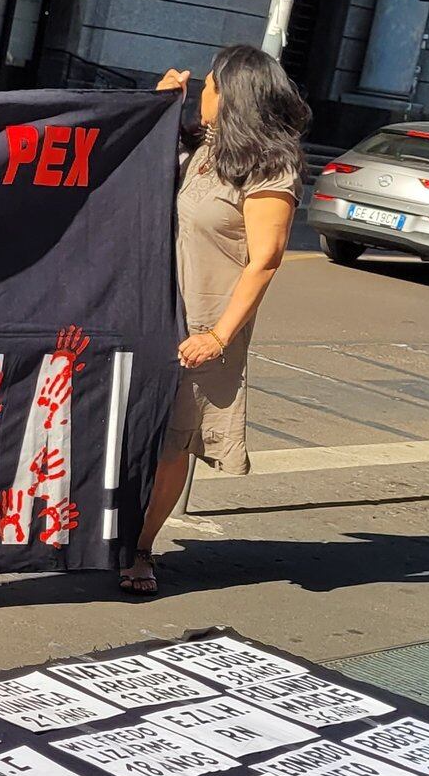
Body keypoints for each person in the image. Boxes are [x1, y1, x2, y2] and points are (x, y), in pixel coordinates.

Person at [121, 44, 307, 597]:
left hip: (202, 320)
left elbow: (266, 258)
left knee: (171, 441)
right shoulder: (201, 148)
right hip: (148, 309)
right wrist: (157, 110)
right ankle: (102, 535)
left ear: (231, 95)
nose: (203, 92)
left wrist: (219, 335)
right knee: (127, 427)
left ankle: (140, 548)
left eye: (209, 86)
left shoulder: (272, 164)